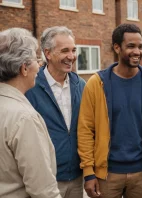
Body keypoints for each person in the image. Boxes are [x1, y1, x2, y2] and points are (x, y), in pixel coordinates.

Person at [78, 23, 142, 198]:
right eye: (131, 46)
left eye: (140, 46)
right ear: (117, 47)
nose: (138, 52)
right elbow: (85, 130)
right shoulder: (97, 84)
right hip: (106, 175)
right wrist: (89, 172)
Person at [0, 28, 61, 198]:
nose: (40, 64)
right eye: (36, 59)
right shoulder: (24, 118)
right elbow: (43, 191)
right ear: (24, 69)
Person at [25, 26, 86, 198]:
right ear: (48, 53)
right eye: (65, 51)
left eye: (73, 50)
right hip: (45, 179)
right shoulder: (31, 87)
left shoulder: (81, 85)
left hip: (76, 177)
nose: (71, 56)